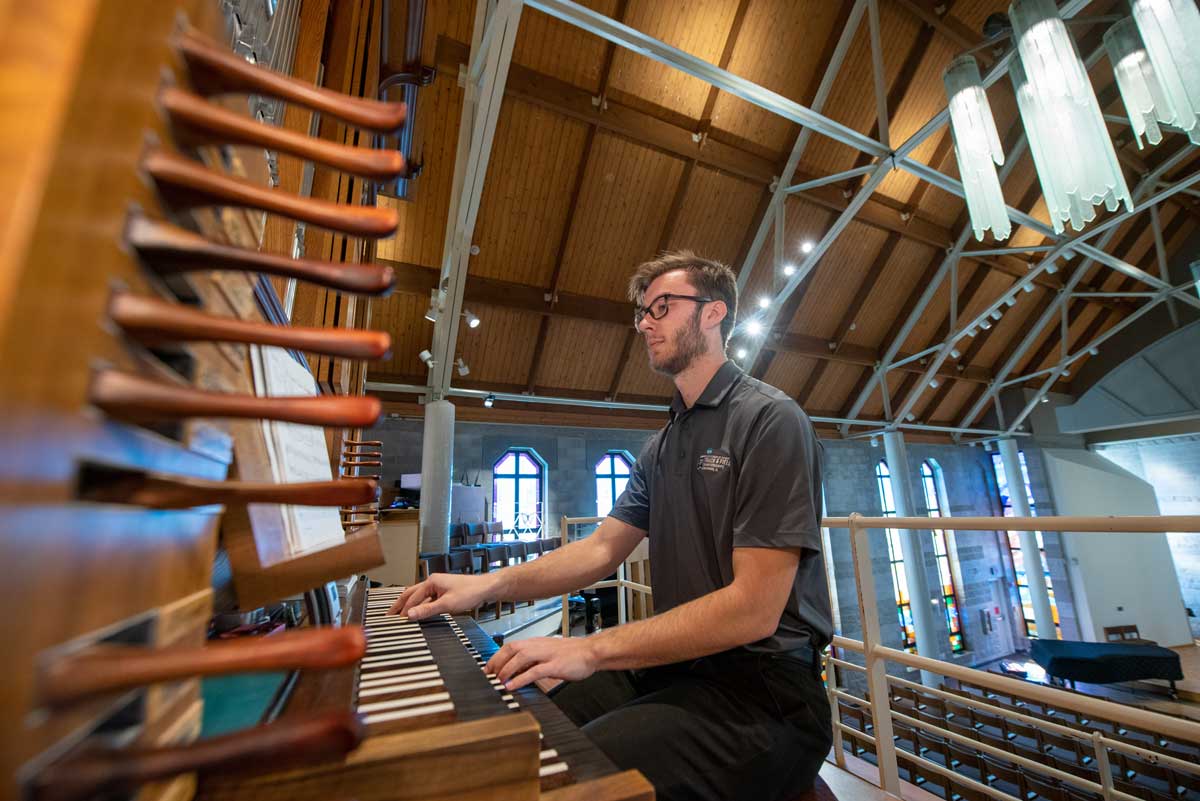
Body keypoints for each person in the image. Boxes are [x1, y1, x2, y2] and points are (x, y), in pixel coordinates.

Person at [388, 251, 833, 801]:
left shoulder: (770, 420)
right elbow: (600, 550)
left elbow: (754, 608)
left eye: (662, 307)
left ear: (714, 313)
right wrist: (485, 586)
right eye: (643, 312)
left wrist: (592, 648)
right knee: (525, 736)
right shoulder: (662, 445)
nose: (645, 323)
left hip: (764, 693)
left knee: (562, 780)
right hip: (678, 667)